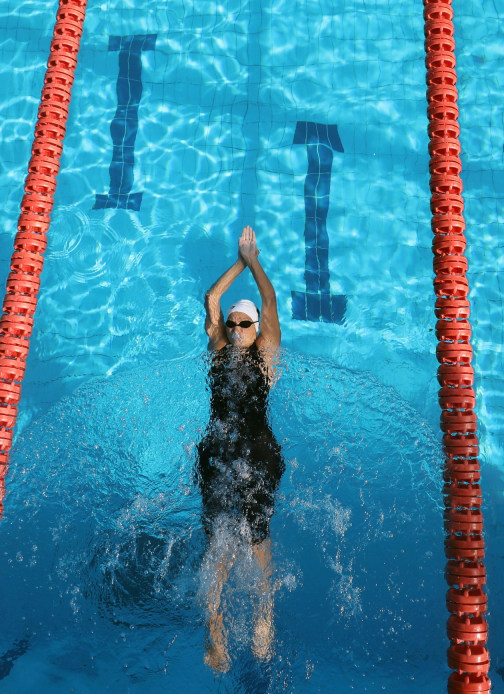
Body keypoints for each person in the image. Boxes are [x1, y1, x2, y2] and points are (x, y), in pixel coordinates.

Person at [197, 226, 285, 672]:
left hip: (257, 453)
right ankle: (214, 631)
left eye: (243, 324)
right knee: (216, 541)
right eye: (232, 324)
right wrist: (237, 262)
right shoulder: (218, 349)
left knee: (256, 535)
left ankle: (264, 613)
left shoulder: (266, 353)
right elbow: (212, 300)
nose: (235, 330)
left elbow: (268, 304)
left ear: (256, 329)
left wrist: (254, 262)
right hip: (216, 453)